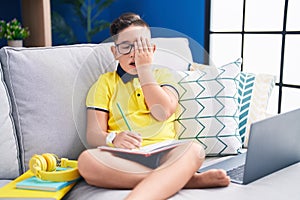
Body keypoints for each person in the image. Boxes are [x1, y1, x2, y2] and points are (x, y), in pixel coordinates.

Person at [78, 12, 230, 200]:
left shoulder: (164, 75)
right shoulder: (105, 84)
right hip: (125, 158)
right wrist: (113, 139)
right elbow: (93, 135)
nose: (135, 53)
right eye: (126, 47)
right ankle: (183, 179)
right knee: (86, 161)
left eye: (141, 47)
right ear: (115, 52)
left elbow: (163, 111)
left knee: (194, 150)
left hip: (166, 152)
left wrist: (144, 71)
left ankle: (163, 181)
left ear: (152, 49)